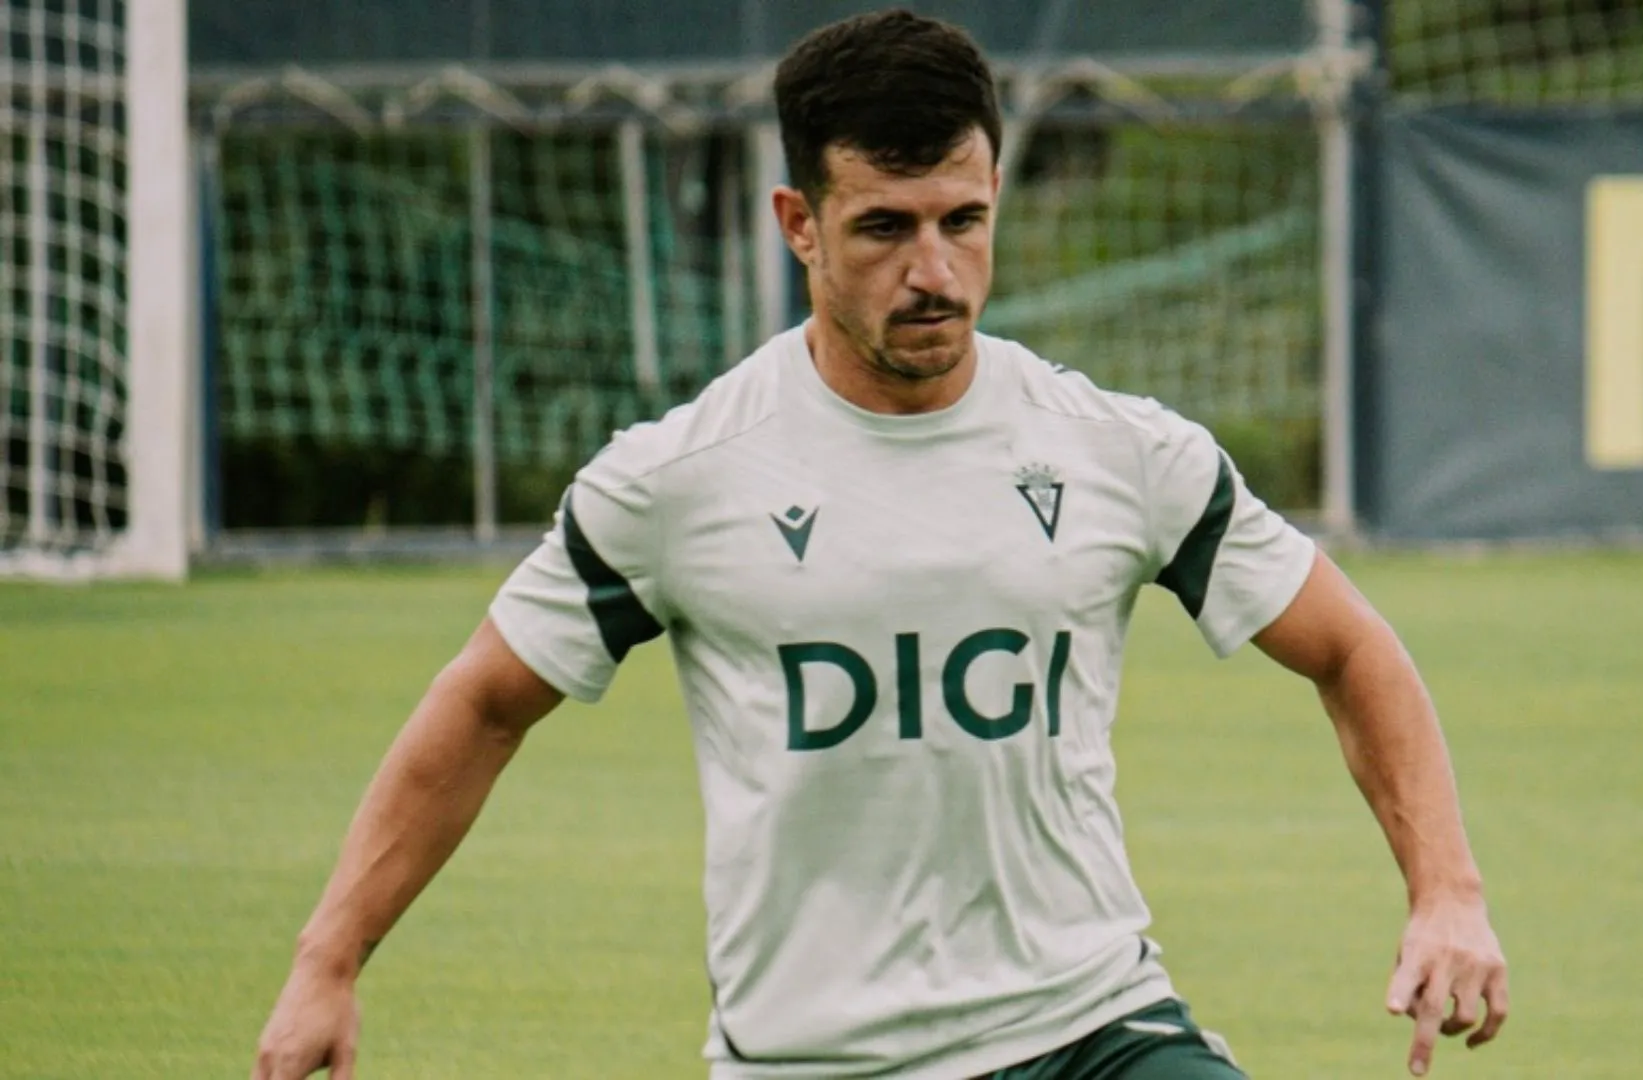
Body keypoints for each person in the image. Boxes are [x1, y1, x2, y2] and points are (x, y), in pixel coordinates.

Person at [251, 9, 1507, 1079]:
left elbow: (1350, 648)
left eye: (962, 220)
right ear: (800, 222)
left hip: (1089, 1028)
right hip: (818, 1059)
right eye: (886, 228)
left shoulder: (1115, 448)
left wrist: (1447, 892)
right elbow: (481, 704)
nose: (937, 272)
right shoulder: (680, 479)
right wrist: (328, 962)